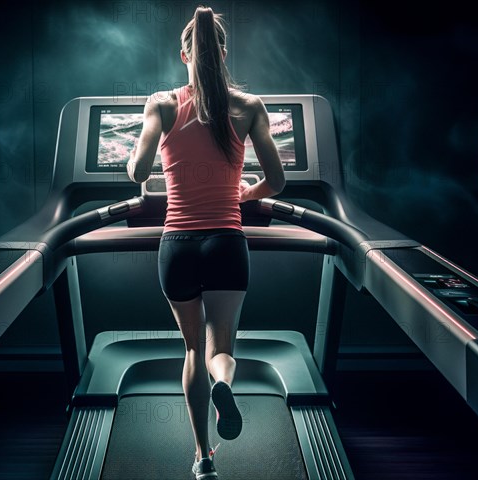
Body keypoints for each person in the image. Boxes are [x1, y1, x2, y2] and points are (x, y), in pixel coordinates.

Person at [127, 5, 285, 479]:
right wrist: (245, 191)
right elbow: (277, 182)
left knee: (191, 348)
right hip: (226, 243)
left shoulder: (161, 103)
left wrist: (148, 175)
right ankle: (224, 383)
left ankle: (202, 457)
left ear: (184, 55)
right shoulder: (249, 106)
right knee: (221, 348)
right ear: (222, 52)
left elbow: (137, 171)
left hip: (177, 244)